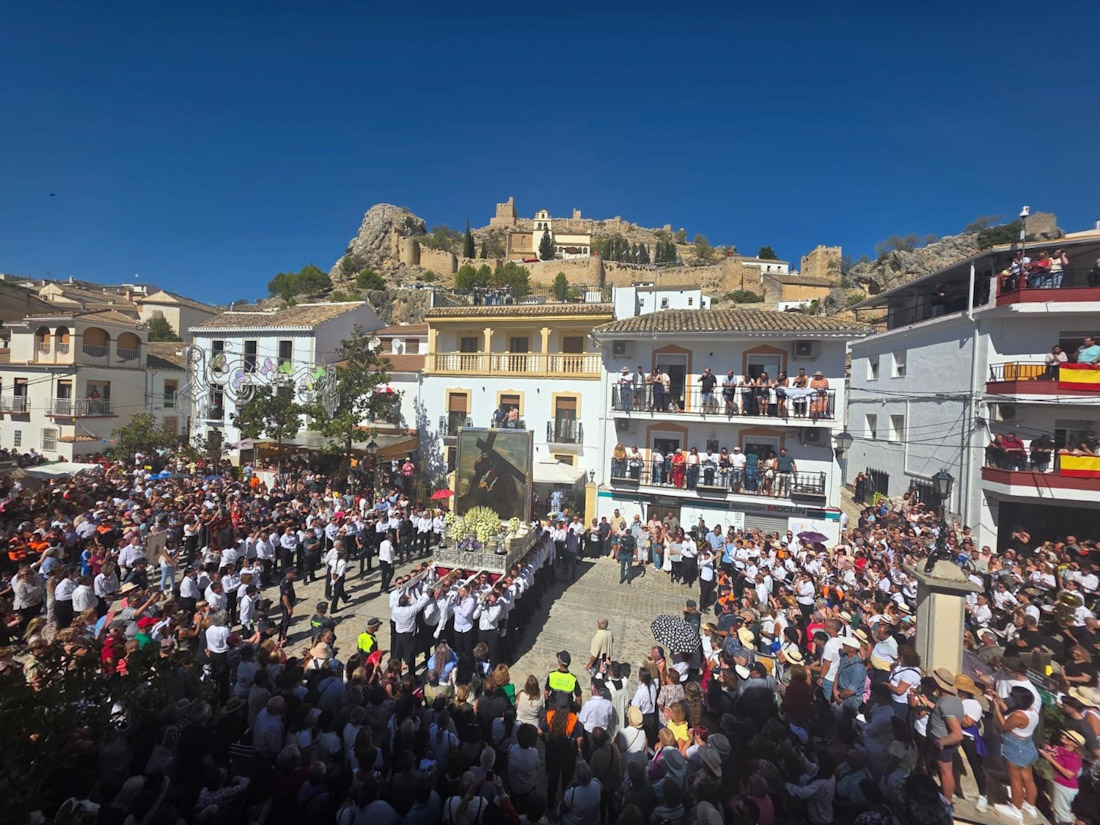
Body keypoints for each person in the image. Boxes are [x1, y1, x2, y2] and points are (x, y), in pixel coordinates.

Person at [990, 685, 1041, 822]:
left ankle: (1016, 809)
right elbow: (1012, 715)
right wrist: (1000, 701)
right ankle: (1031, 806)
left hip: (1015, 747)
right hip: (1027, 746)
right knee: (1028, 778)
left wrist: (996, 710)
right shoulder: (1032, 712)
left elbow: (1005, 725)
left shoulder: (1019, 715)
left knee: (1015, 780)